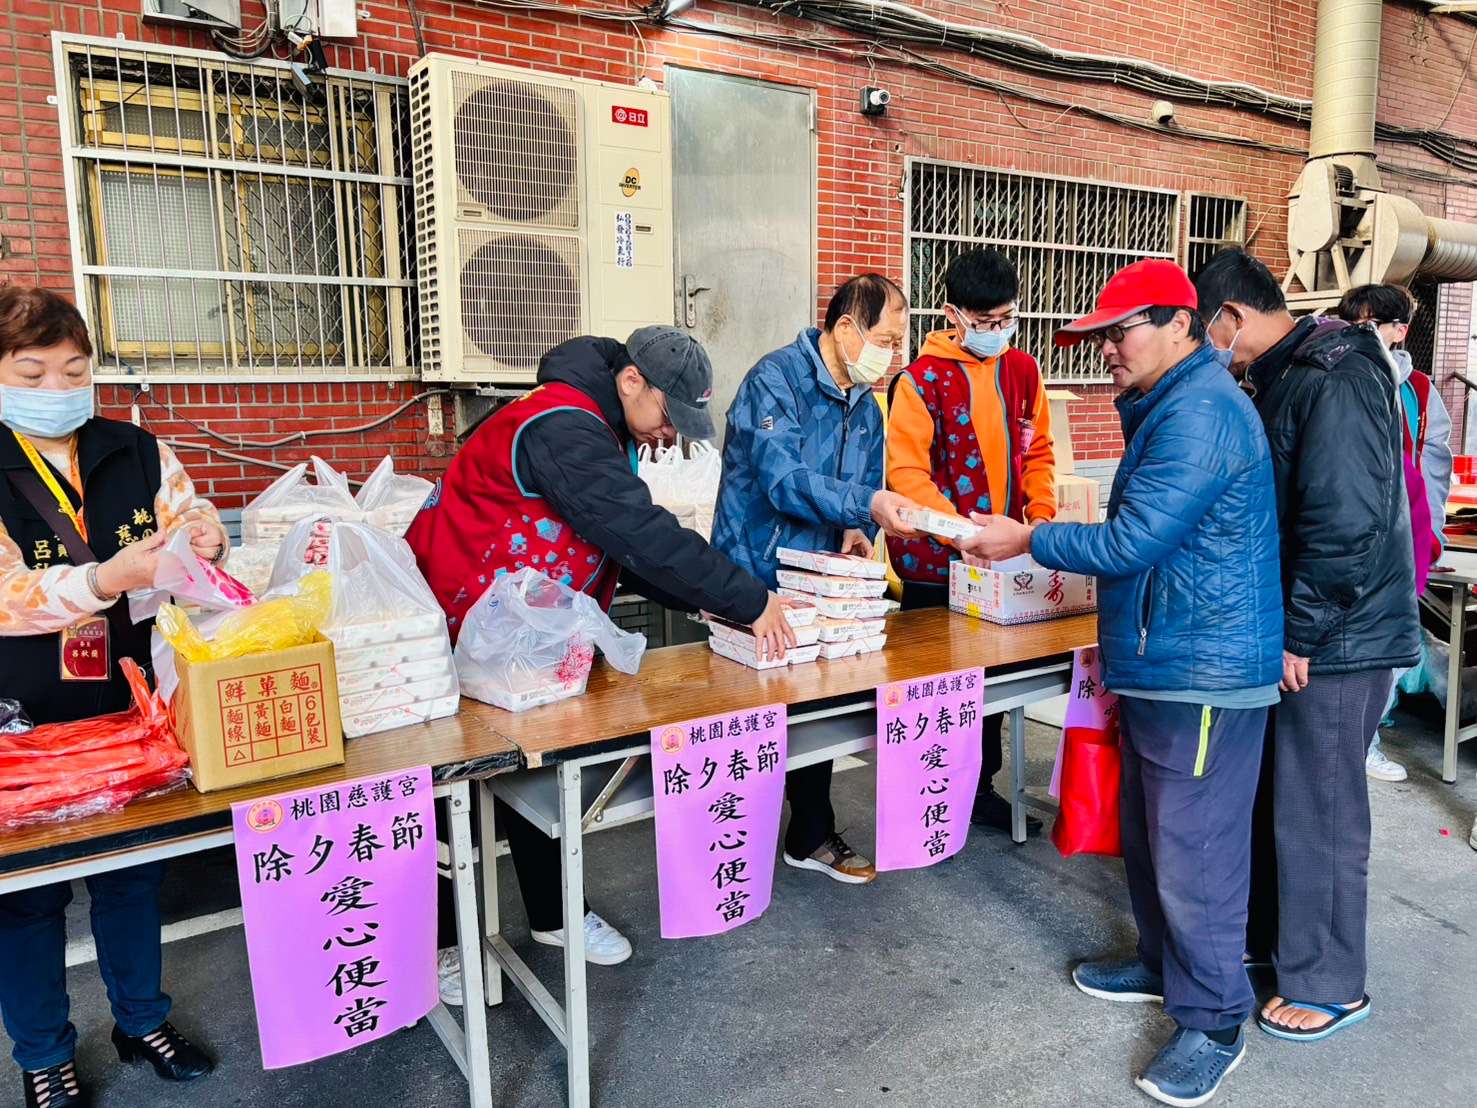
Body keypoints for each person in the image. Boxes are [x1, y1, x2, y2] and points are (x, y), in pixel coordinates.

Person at [962, 259, 1283, 1107]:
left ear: (1180, 324)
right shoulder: (1168, 405)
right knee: (1150, 834)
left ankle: (1214, 1019)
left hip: (1203, 672)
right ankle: (1160, 963)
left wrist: (1026, 538)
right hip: (1163, 659)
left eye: (1119, 332)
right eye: (1099, 336)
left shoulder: (1201, 412)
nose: (1106, 349)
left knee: (1194, 851)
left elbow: (1131, 541)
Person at [407, 325, 795, 1001]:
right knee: (450, 793)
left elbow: (614, 545)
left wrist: (707, 603)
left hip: (527, 641)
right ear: (631, 381)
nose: (667, 435)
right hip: (462, 626)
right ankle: (441, 946)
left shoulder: (601, 428)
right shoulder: (562, 424)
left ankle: (557, 916)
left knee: (541, 772)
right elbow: (638, 532)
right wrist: (747, 599)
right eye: (667, 417)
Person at [0, 287, 221, 1108]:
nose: (57, 387)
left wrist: (204, 533)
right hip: (23, 722)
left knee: (131, 877)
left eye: (73, 369)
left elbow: (187, 512)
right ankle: (42, 1054)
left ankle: (141, 1020)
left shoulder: (135, 447)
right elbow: (6, 594)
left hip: (131, 707)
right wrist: (102, 579)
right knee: (25, 901)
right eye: (32, 372)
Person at [1194, 249, 1419, 1043]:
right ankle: (1276, 945)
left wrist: (1299, 630)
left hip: (1339, 636)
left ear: (1229, 317)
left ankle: (1329, 982)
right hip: (1310, 627)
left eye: (1202, 333)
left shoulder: (1334, 374)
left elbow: (1344, 522)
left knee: (1318, 809)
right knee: (1279, 800)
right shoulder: (1283, 374)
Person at [710, 273, 922, 884]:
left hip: (817, 580)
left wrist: (858, 530)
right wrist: (865, 505)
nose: (893, 355)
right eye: (887, 340)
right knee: (746, 717)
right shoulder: (775, 380)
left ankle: (808, 834)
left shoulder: (865, 402)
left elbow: (863, 484)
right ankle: (727, 845)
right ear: (847, 328)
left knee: (815, 707)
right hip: (754, 572)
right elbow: (784, 480)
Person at [885, 248, 1057, 833]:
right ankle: (923, 798)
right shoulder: (920, 380)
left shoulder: (1023, 371)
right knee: (933, 686)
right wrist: (961, 533)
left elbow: (1039, 452)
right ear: (953, 315)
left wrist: (1039, 523)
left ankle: (978, 789)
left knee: (991, 686)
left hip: (1003, 559)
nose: (996, 330)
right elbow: (907, 475)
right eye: (984, 321)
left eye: (1006, 318)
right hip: (935, 562)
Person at [1334, 284, 1453, 783]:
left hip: (1402, 541)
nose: (1356, 334)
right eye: (1351, 324)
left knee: (1389, 650)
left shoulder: (1417, 391)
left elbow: (1434, 466)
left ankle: (1367, 741)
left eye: (1369, 326)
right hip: (1348, 539)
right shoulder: (1335, 376)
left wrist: (1431, 535)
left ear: (1399, 331)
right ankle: (1350, 742)